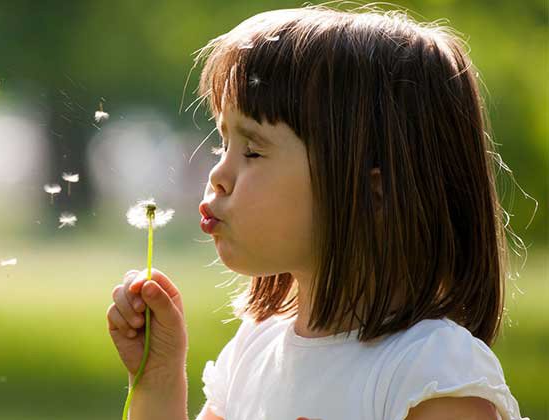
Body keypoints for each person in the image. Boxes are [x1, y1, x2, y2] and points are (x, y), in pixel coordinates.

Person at [106, 4, 530, 420]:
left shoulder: (430, 373)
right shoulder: (253, 351)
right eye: (223, 144)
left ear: (373, 192)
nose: (217, 173)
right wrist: (157, 379)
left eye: (252, 150)